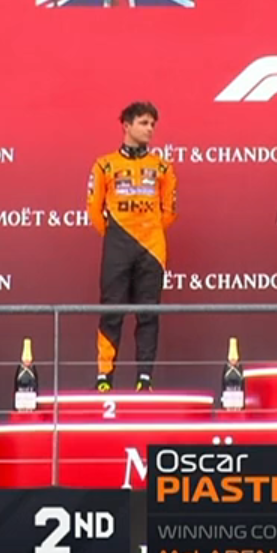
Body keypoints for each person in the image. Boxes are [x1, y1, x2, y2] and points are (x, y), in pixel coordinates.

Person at [86, 102, 178, 391]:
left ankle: (144, 379)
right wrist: (118, 233)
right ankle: (104, 378)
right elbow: (93, 210)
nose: (150, 129)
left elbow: (169, 211)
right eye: (143, 123)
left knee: (148, 312)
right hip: (118, 243)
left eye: (152, 124)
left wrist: (148, 230)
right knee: (111, 311)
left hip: (152, 247)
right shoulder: (105, 164)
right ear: (126, 126)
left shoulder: (163, 167)